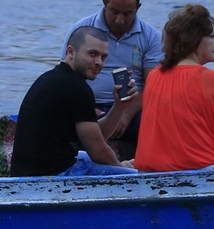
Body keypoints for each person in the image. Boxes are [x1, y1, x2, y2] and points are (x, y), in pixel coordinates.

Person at [10, 27, 142, 177]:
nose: (99, 62)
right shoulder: (76, 88)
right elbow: (98, 152)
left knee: (96, 160)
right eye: (92, 54)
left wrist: (120, 107)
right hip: (49, 177)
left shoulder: (55, 78)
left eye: (103, 57)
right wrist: (120, 168)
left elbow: (97, 137)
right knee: (131, 174)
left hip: (25, 172)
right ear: (71, 52)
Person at [134, 3, 214, 173]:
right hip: (200, 171)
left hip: (150, 172)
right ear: (195, 39)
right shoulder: (213, 80)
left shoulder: (154, 75)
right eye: (212, 36)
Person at [66, 0, 162, 153]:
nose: (119, 20)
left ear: (138, 8)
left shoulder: (150, 37)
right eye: (114, 12)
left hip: (131, 109)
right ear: (104, 2)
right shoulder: (81, 31)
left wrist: (125, 113)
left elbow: (153, 86)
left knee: (162, 123)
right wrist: (87, 110)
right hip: (87, 107)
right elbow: (65, 78)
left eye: (127, 14)